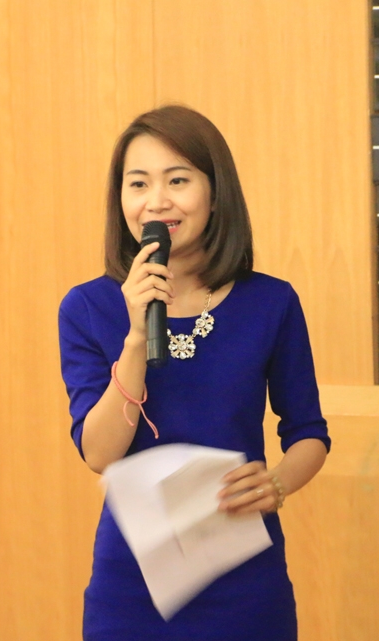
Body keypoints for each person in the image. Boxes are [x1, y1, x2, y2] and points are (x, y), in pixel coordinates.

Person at [58, 105, 331, 641]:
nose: (156, 201)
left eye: (177, 180)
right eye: (139, 183)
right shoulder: (87, 307)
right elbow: (99, 454)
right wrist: (136, 336)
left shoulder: (271, 302)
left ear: (214, 192)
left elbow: (309, 433)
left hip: (244, 581)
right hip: (132, 588)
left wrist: (278, 482)